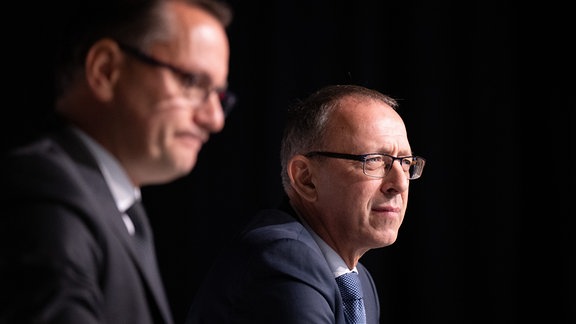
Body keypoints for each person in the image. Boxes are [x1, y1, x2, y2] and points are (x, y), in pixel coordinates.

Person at [0, 0, 233, 323]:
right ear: (106, 70)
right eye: (192, 82)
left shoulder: (120, 205)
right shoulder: (45, 192)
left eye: (219, 95)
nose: (214, 118)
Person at [184, 84, 427, 323]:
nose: (400, 183)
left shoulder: (360, 283)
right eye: (375, 160)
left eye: (405, 163)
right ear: (306, 178)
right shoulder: (283, 259)